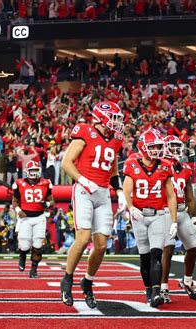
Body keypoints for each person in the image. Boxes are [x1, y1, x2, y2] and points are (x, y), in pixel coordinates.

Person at [60, 101, 126, 309]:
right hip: (84, 190)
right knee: (83, 237)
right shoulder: (85, 132)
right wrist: (83, 180)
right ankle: (67, 279)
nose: (117, 123)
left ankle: (87, 281)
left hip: (104, 193)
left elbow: (114, 171)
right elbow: (67, 162)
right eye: (114, 118)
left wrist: (121, 191)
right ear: (101, 117)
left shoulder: (115, 140)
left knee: (101, 246)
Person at [123, 129, 178, 308]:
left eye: (158, 146)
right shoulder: (132, 164)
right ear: (143, 147)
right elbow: (127, 190)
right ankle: (148, 289)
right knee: (144, 258)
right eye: (152, 146)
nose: (156, 150)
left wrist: (174, 220)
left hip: (157, 215)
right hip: (139, 215)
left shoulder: (165, 165)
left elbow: (170, 196)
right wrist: (130, 208)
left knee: (156, 255)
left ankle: (156, 293)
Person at [160, 135, 196, 303]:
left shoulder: (184, 168)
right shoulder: (159, 166)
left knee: (193, 247)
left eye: (178, 146)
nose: (176, 150)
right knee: (168, 249)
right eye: (173, 147)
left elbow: (189, 196)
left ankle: (187, 280)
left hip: (182, 211)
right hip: (165, 211)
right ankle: (163, 287)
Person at [12, 161, 54, 278]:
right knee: (24, 244)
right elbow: (14, 202)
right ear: (27, 172)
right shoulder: (19, 183)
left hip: (40, 217)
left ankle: (34, 270)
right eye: (32, 170)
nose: (34, 173)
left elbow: (52, 201)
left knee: (38, 245)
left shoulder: (45, 183)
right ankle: (22, 256)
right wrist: (18, 211)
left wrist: (47, 204)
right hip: (25, 218)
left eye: (36, 170)